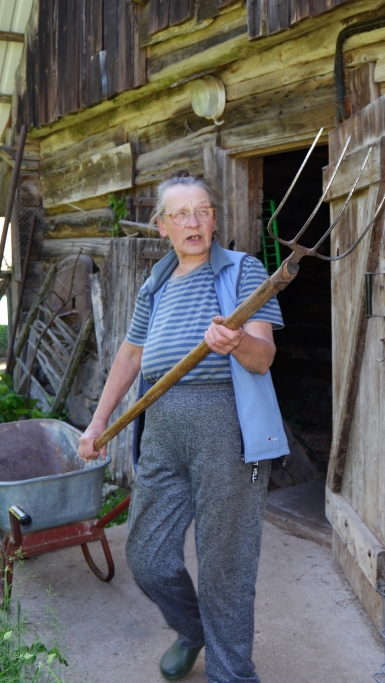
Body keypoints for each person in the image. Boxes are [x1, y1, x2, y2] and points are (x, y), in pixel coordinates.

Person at [78, 170, 288, 683]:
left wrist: (237, 342)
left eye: (202, 211)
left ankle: (230, 673)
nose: (193, 222)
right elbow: (130, 355)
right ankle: (193, 630)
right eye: (181, 214)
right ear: (161, 227)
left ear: (214, 220)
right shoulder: (155, 283)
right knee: (146, 555)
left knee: (225, 567)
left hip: (227, 427)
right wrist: (99, 421)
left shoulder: (244, 270)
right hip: (163, 426)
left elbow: (264, 357)